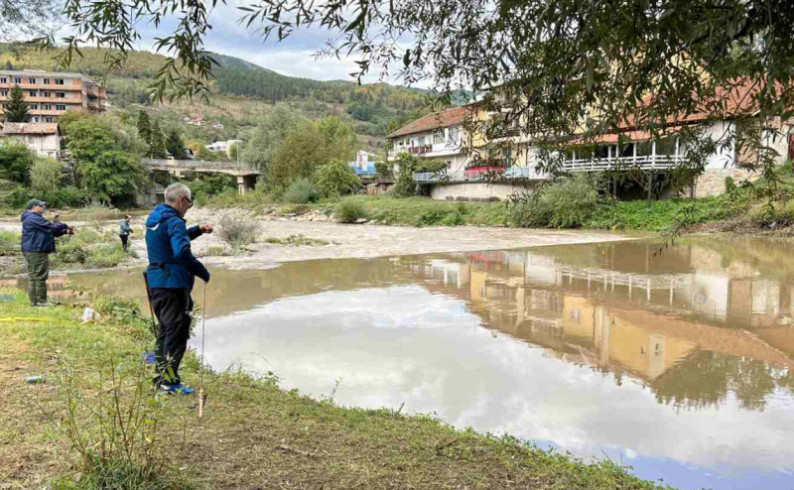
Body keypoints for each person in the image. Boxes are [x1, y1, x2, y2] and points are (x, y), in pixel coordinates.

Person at [144, 183, 213, 395]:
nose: (189, 207)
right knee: (177, 333)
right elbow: (181, 252)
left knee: (166, 331)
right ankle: (169, 383)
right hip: (173, 285)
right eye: (189, 203)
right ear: (182, 199)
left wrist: (197, 230)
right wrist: (202, 271)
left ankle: (160, 378)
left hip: (157, 284)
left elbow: (170, 240)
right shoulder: (174, 221)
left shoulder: (156, 219)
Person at [20, 200, 74, 306]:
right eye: (41, 206)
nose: (44, 207)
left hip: (34, 249)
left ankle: (35, 302)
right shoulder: (33, 218)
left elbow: (50, 231)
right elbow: (52, 227)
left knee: (35, 276)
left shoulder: (34, 217)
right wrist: (65, 225)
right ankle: (41, 302)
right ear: (34, 207)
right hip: (36, 250)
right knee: (39, 276)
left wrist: (65, 231)